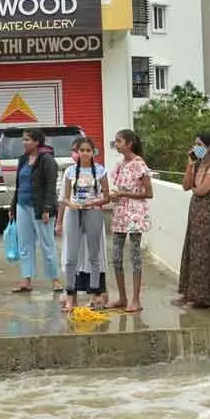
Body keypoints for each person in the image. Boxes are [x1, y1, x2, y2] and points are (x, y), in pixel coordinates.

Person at [55, 137, 110, 311]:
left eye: (88, 150)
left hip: (93, 212)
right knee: (71, 257)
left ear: (93, 152)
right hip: (73, 212)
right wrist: (71, 204)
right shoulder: (70, 172)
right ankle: (70, 295)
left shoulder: (101, 171)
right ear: (77, 152)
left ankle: (95, 295)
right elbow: (64, 197)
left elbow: (106, 196)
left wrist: (93, 203)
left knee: (94, 255)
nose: (85, 153)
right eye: (82, 150)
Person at [175, 132, 210, 309]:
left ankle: (201, 298)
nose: (195, 147)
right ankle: (189, 293)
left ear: (209, 147)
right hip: (195, 212)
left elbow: (202, 190)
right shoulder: (198, 164)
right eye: (195, 143)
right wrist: (189, 166)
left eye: (199, 144)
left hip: (206, 214)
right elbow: (185, 186)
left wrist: (193, 187)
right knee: (191, 252)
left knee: (202, 255)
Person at [8, 129, 63, 293]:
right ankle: (26, 279)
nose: (23, 143)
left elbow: (50, 186)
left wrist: (47, 209)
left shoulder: (46, 160)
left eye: (27, 140)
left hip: (40, 209)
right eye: (23, 140)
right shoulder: (23, 159)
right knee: (25, 244)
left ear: (37, 142)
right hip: (22, 206)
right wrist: (13, 206)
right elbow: (18, 186)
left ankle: (55, 279)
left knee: (47, 244)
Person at [108, 129, 154, 313]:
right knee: (116, 257)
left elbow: (149, 193)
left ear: (129, 144)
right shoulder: (120, 164)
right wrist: (114, 197)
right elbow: (118, 187)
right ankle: (122, 297)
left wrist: (123, 194)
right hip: (120, 213)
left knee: (135, 256)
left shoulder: (139, 164)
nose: (116, 144)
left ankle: (135, 300)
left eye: (119, 141)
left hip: (135, 215)